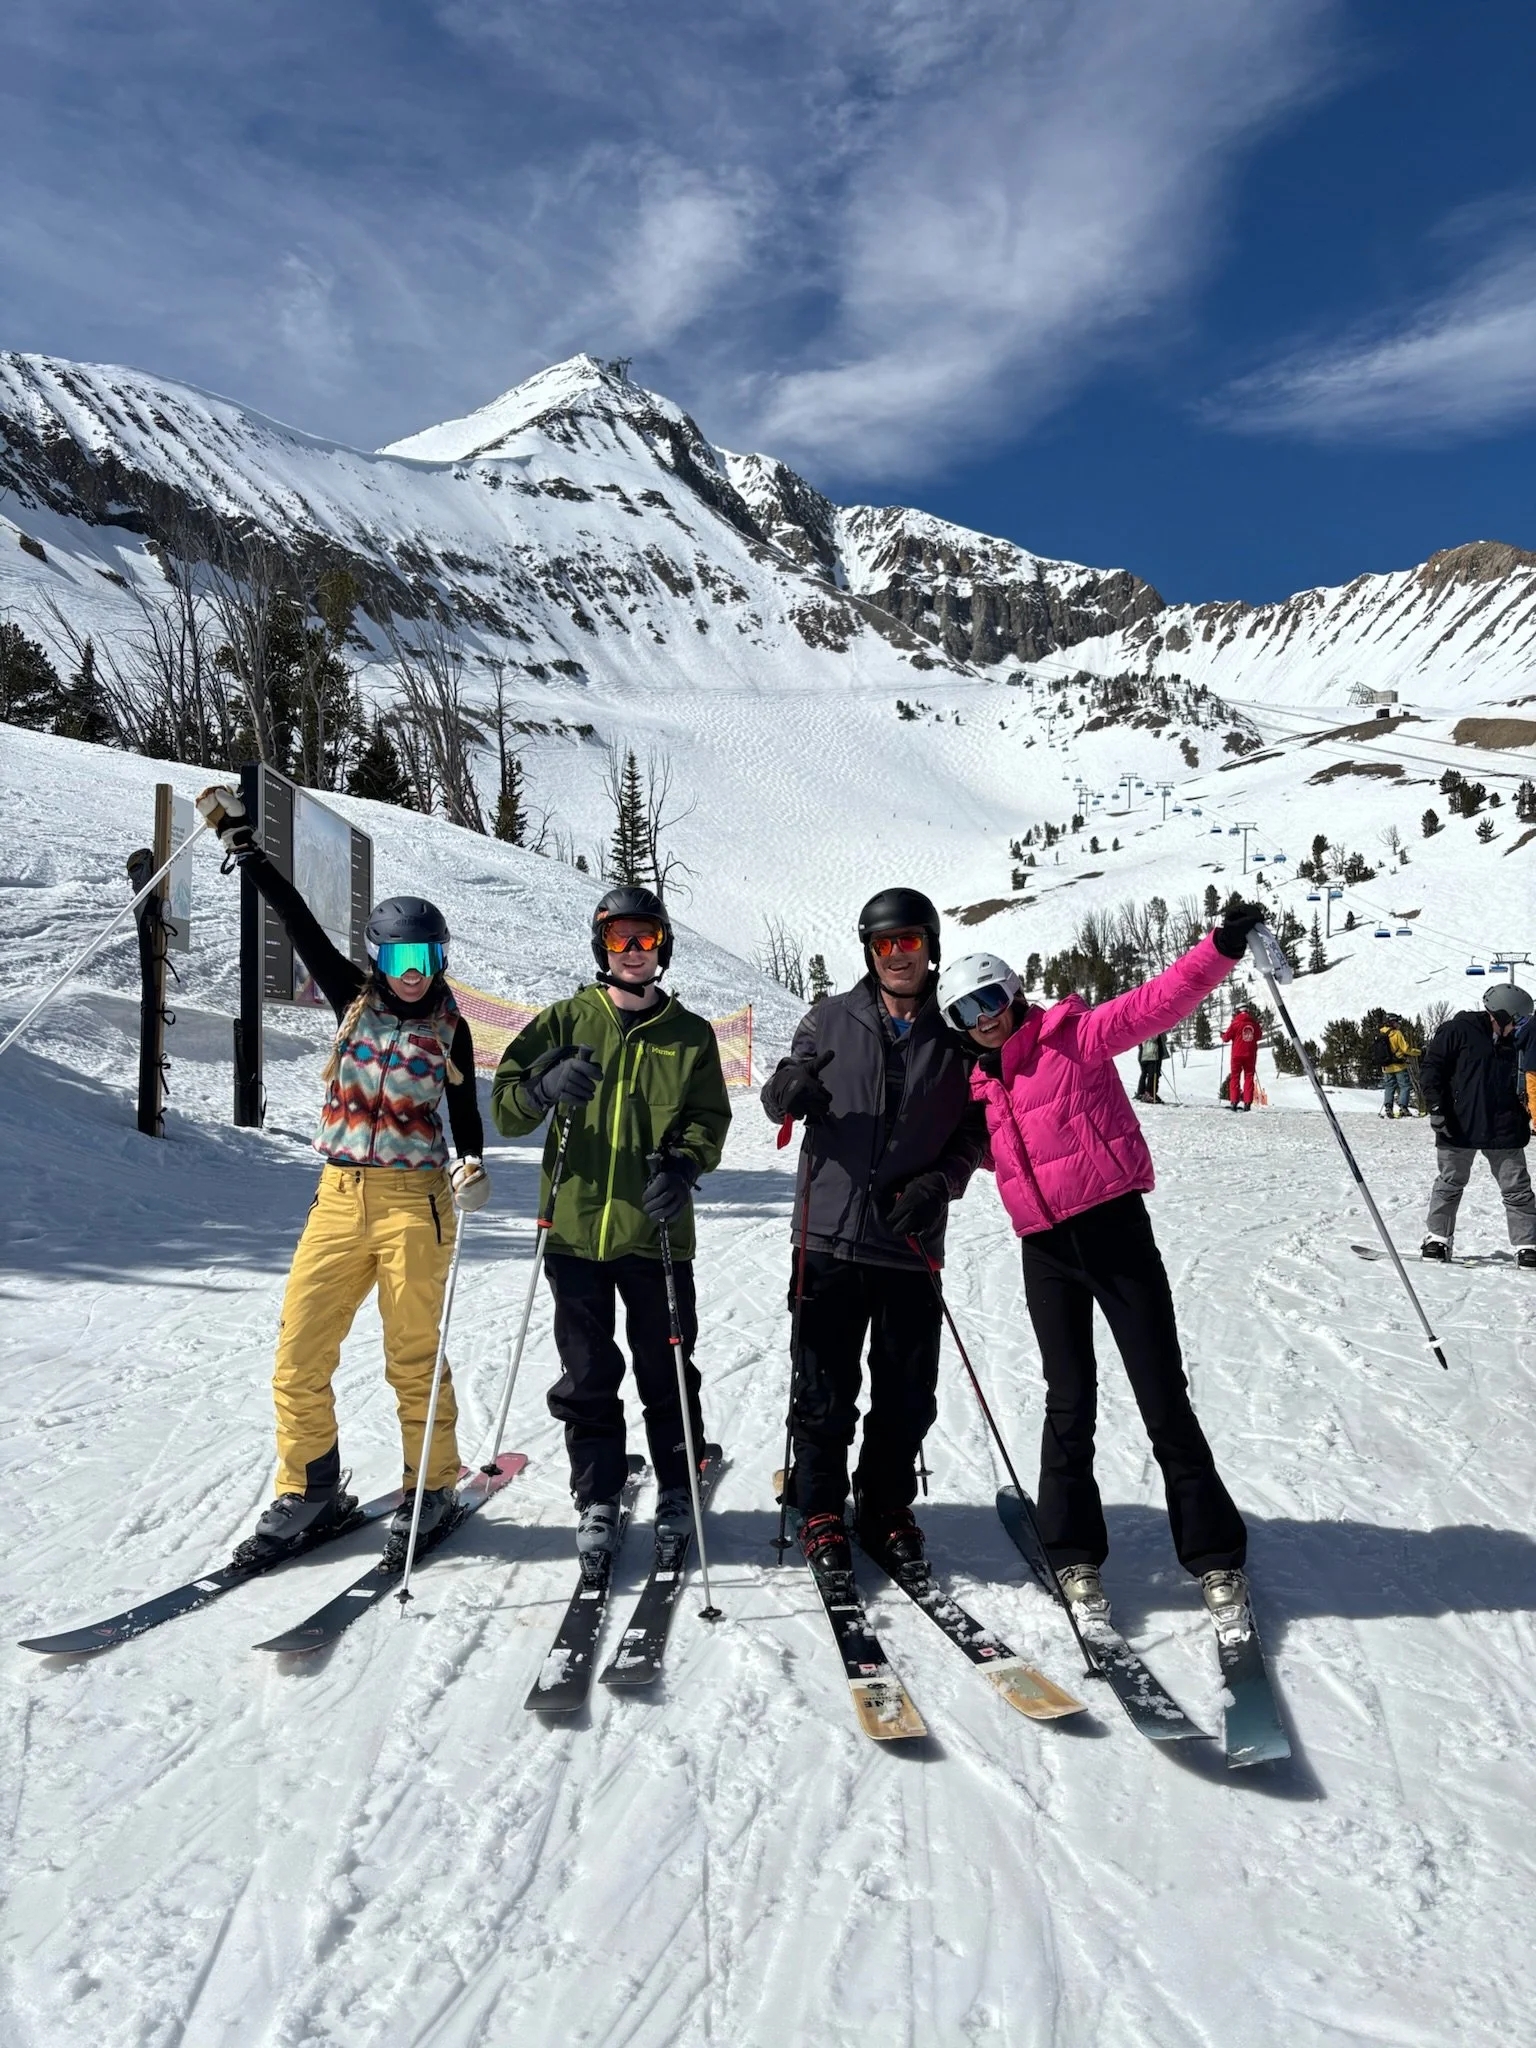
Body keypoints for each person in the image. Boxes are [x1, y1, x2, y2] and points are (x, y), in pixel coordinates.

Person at [935, 901, 1266, 1632]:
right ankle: (1074, 1552)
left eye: (990, 999)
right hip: (1046, 1252)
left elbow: (1159, 1001)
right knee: (1068, 1400)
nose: (983, 1018)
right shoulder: (976, 1088)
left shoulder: (1073, 1038)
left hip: (1115, 1234)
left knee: (1161, 1395)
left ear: (1013, 992)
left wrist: (1220, 948)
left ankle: (1214, 1557)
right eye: (965, 1011)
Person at [195, 785, 489, 1565]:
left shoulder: (450, 1030)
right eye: (398, 957)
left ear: (441, 958)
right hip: (336, 1198)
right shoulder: (351, 1002)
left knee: (411, 1354)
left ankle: (432, 1487)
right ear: (376, 956)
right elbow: (294, 918)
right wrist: (245, 846)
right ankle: (311, 1488)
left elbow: (467, 1120)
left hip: (412, 1207)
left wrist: (473, 1164)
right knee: (299, 1351)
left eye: (424, 958)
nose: (412, 972)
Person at [490, 886, 731, 1556]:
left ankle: (679, 1484)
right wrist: (542, 1088)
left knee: (667, 1367)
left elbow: (707, 1119)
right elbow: (507, 1109)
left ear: (662, 947)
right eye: (620, 937)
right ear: (602, 944)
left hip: (655, 1233)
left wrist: (682, 1167)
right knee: (589, 1371)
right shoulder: (565, 1021)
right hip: (573, 1230)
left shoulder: (690, 1035)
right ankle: (597, 1492)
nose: (632, 950)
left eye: (645, 938)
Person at [760, 887, 987, 1577]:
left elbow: (978, 1131)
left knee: (907, 1390)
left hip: (908, 1236)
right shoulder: (827, 1018)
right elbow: (780, 1087)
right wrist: (788, 1093)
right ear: (869, 949)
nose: (897, 956)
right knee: (823, 1385)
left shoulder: (957, 1031)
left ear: (929, 947)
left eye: (909, 941)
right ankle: (822, 1506)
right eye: (885, 944)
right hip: (827, 1235)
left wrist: (940, 1183)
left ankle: (885, 1505)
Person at [1418, 983, 1536, 1267]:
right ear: (1502, 1014)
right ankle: (1437, 1238)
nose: (1521, 1026)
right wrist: (1436, 1107)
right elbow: (1432, 1068)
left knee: (1517, 1188)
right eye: (1518, 1020)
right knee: (1450, 1182)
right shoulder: (1458, 1030)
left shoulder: (1519, 1041)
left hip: (1504, 1125)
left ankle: (1527, 1244)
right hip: (1459, 1122)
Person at [1375, 1013, 1421, 1119]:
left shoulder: (1380, 1033)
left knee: (1389, 1087)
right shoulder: (1397, 1033)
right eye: (1397, 1022)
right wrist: (1419, 1052)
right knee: (1404, 1086)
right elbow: (1406, 1049)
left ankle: (1388, 1108)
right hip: (1399, 1065)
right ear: (1392, 1022)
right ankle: (1403, 1108)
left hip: (1386, 1066)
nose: (1398, 1024)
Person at [1221, 1001, 1262, 1110]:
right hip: (1250, 1054)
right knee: (1249, 1077)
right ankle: (1247, 1103)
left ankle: (1234, 1102)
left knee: (1235, 1077)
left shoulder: (1235, 1023)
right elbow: (1258, 1036)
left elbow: (1226, 1038)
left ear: (1238, 1011)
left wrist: (1222, 1035)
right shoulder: (1254, 1023)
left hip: (1237, 1055)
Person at [1134, 1032, 1168, 1103]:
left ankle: (1143, 1092)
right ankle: (1149, 1093)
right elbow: (1155, 1038)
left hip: (1146, 1054)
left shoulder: (1143, 1027)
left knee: (1147, 1074)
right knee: (1153, 1074)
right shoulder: (1152, 1027)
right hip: (1152, 1054)